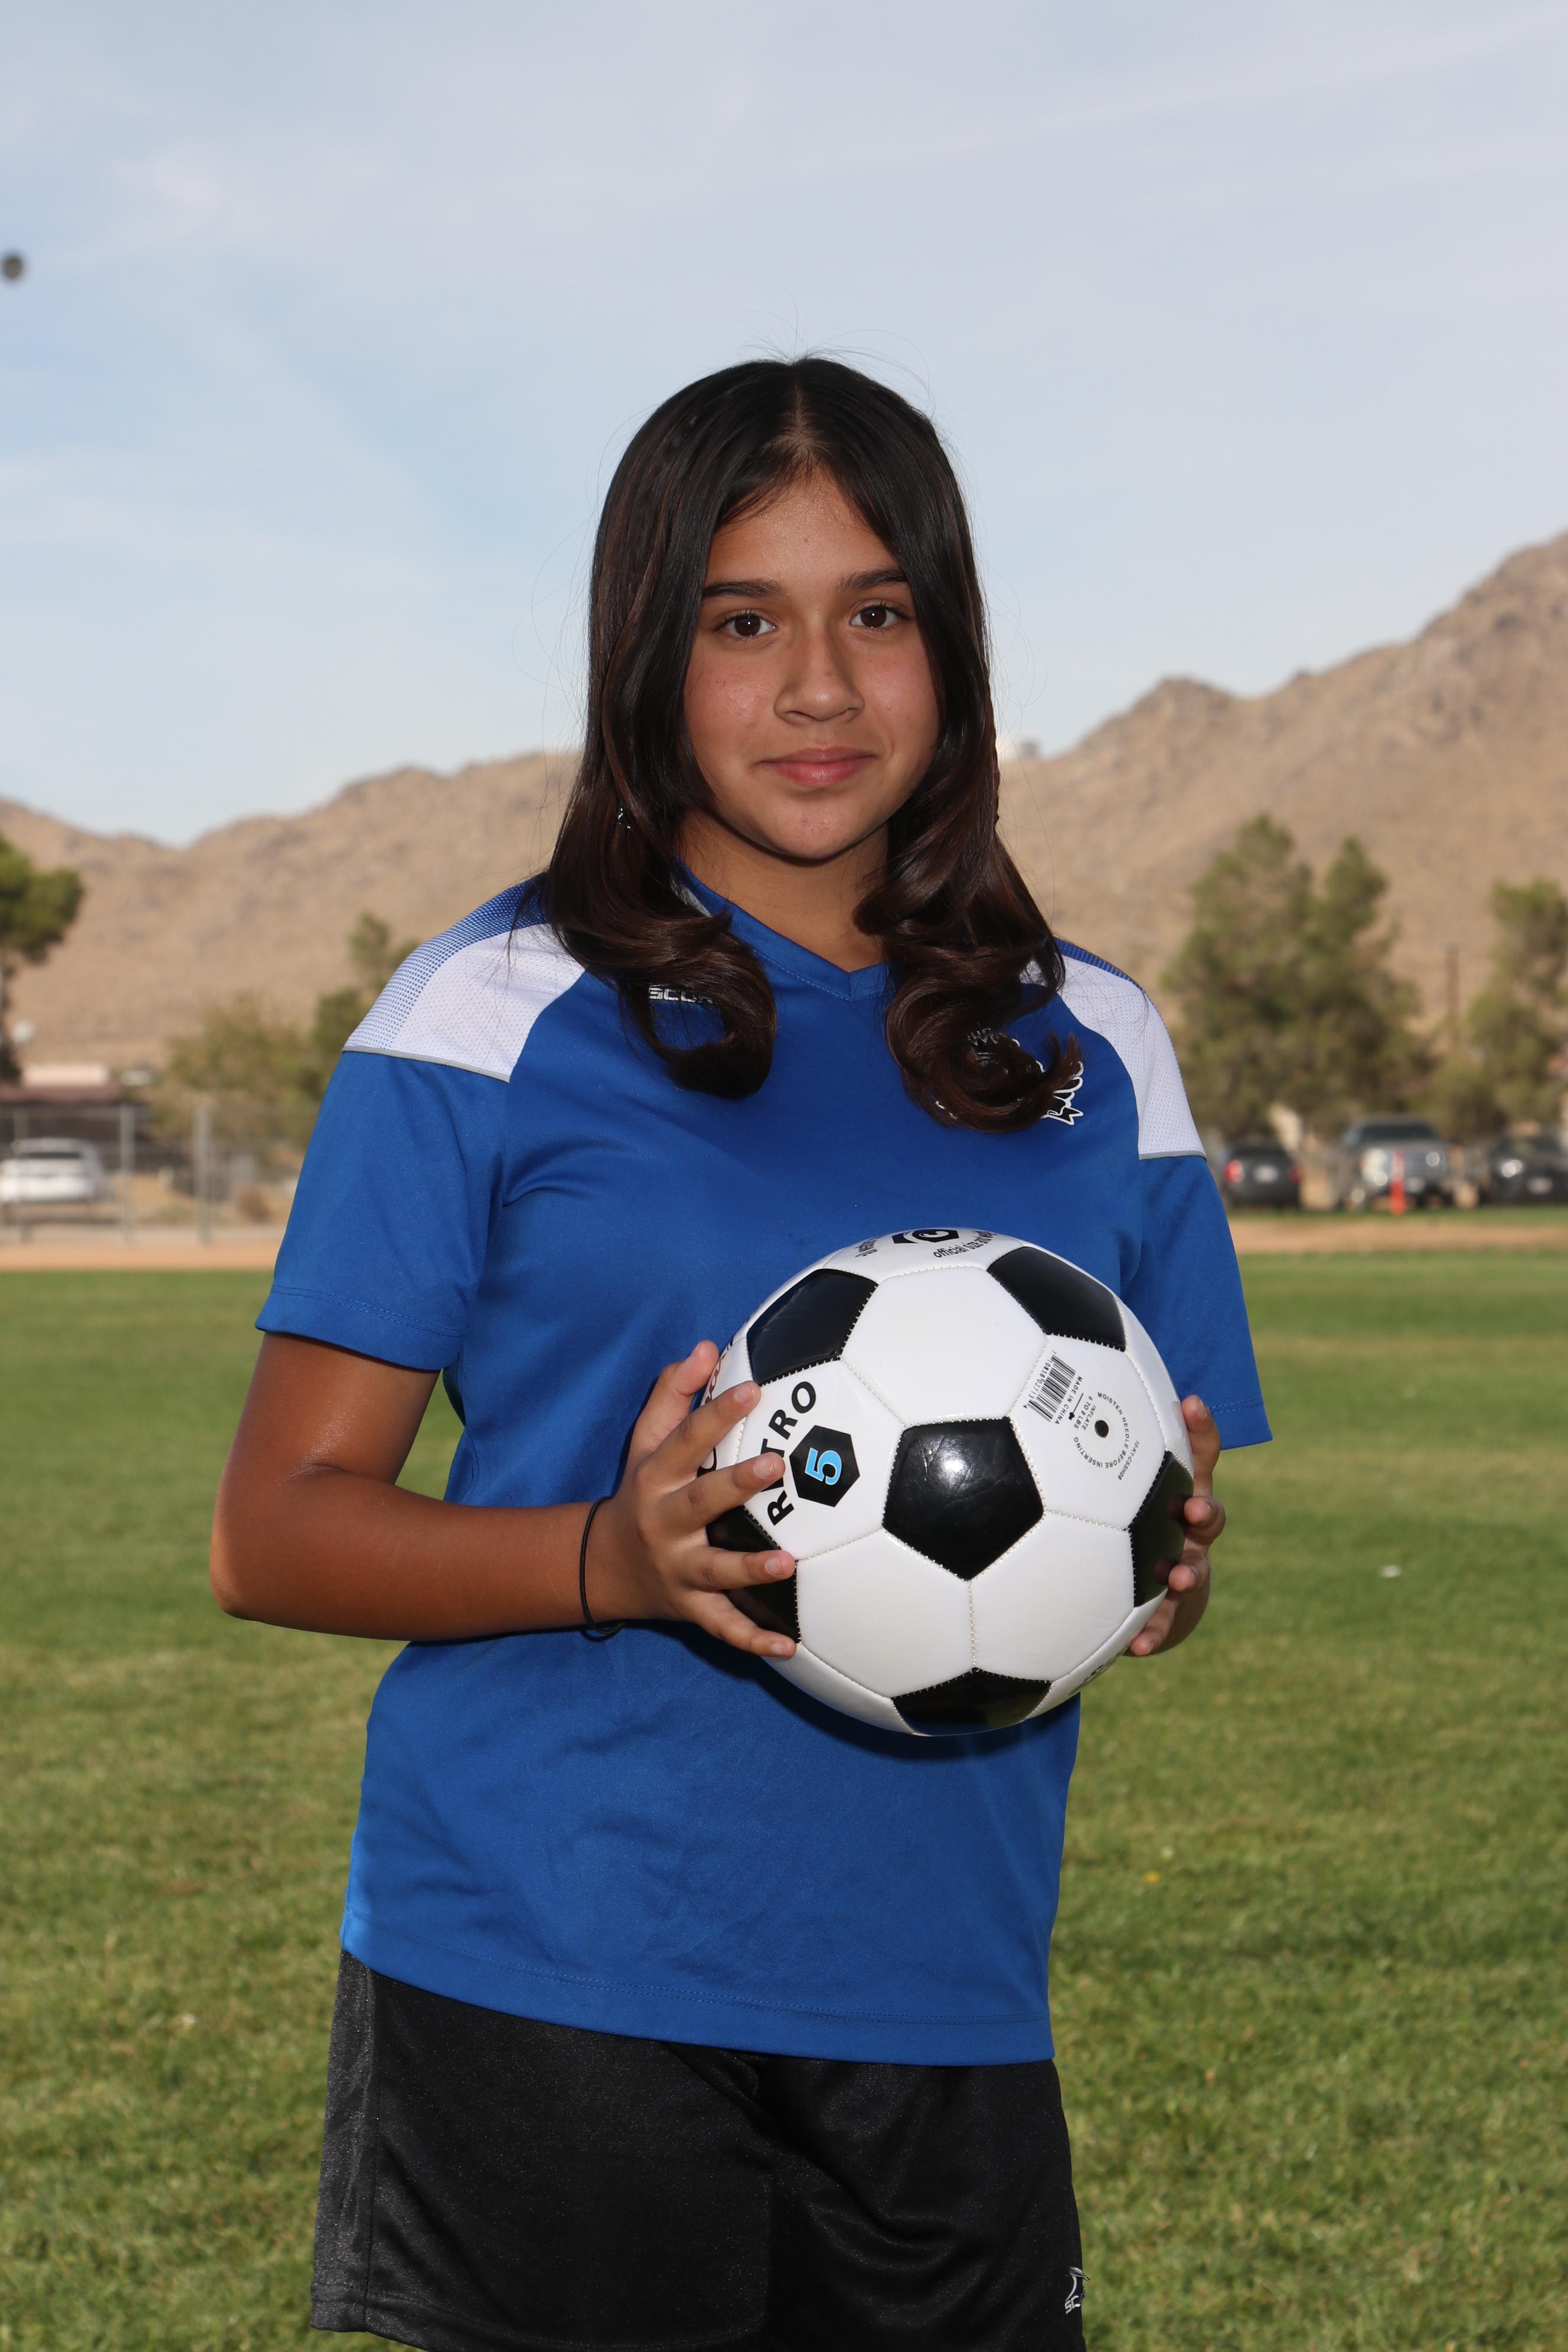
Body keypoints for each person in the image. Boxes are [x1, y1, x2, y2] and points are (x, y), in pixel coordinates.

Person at [213, 356, 1269, 2352]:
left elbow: (1154, 1512)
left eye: (877, 612)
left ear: (951, 648)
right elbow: (272, 1531)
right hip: (550, 1973)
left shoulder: (1097, 1045)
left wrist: (1156, 1559)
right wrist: (609, 1559)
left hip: (945, 1985)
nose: (819, 688)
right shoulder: (486, 1012)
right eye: (742, 622)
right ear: (645, 654)